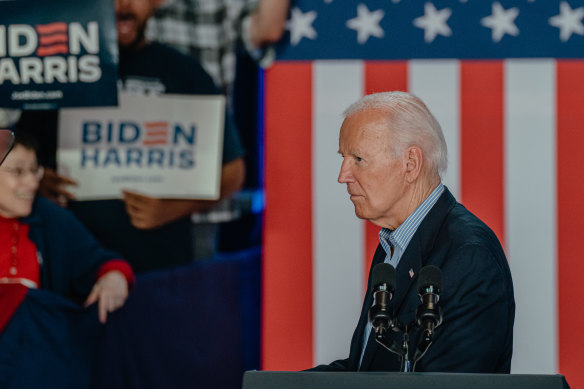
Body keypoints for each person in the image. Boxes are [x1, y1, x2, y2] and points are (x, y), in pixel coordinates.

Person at [23, 0, 246, 273]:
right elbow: (17, 152)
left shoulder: (186, 74)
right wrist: (36, 179)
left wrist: (172, 208)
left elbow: (233, 172)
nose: (123, 5)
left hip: (162, 272)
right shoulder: (60, 70)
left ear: (156, 3)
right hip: (74, 270)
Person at [314, 91, 514, 372]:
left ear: (411, 164)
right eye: (344, 157)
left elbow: (446, 384)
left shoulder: (470, 257)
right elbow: (365, 372)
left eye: (358, 159)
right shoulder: (393, 244)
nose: (342, 175)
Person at [0, 133, 134, 388]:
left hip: (33, 368)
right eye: (18, 172)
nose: (31, 183)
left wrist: (114, 277)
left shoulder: (49, 218)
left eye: (34, 170)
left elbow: (101, 261)